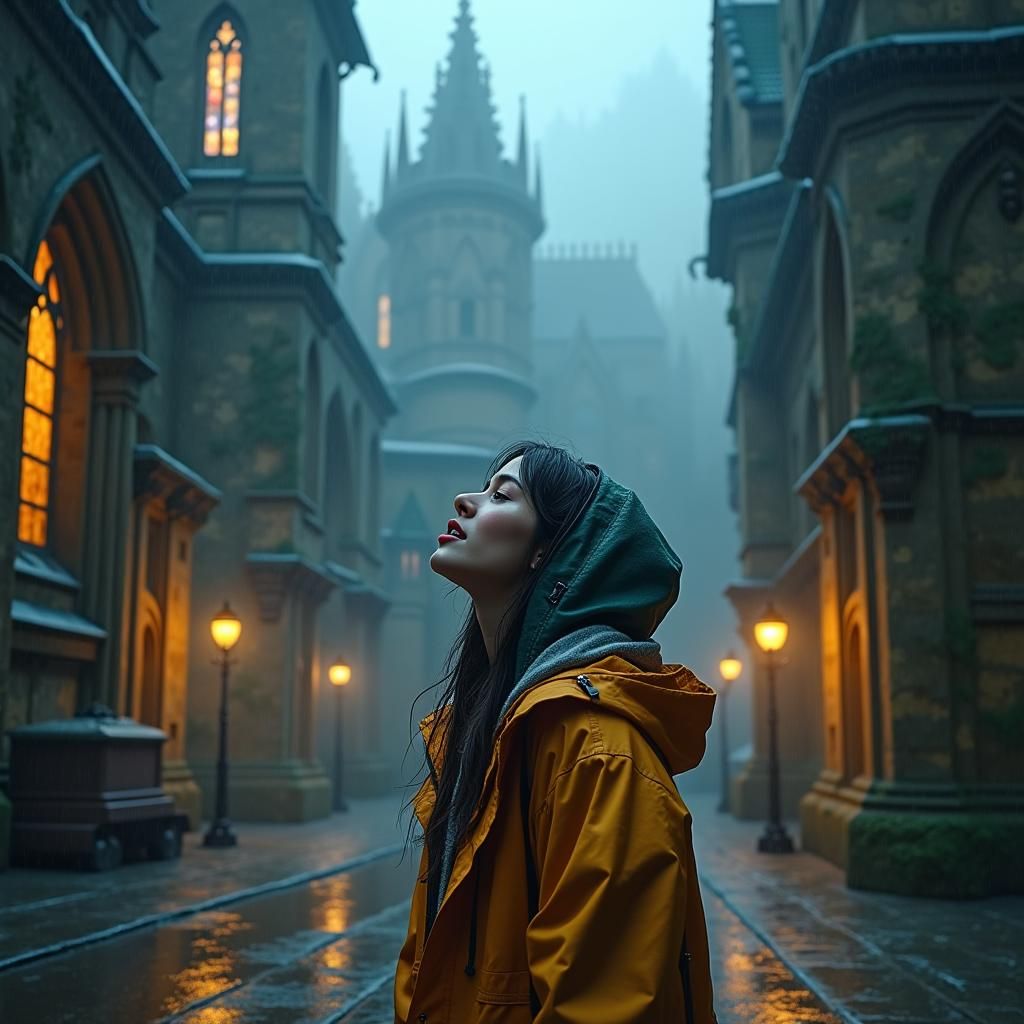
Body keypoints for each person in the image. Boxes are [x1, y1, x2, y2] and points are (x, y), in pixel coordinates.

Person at [393, 441, 718, 1023]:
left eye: (502, 495)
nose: (464, 501)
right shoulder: (482, 734)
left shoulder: (593, 750)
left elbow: (602, 1003)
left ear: (549, 550)